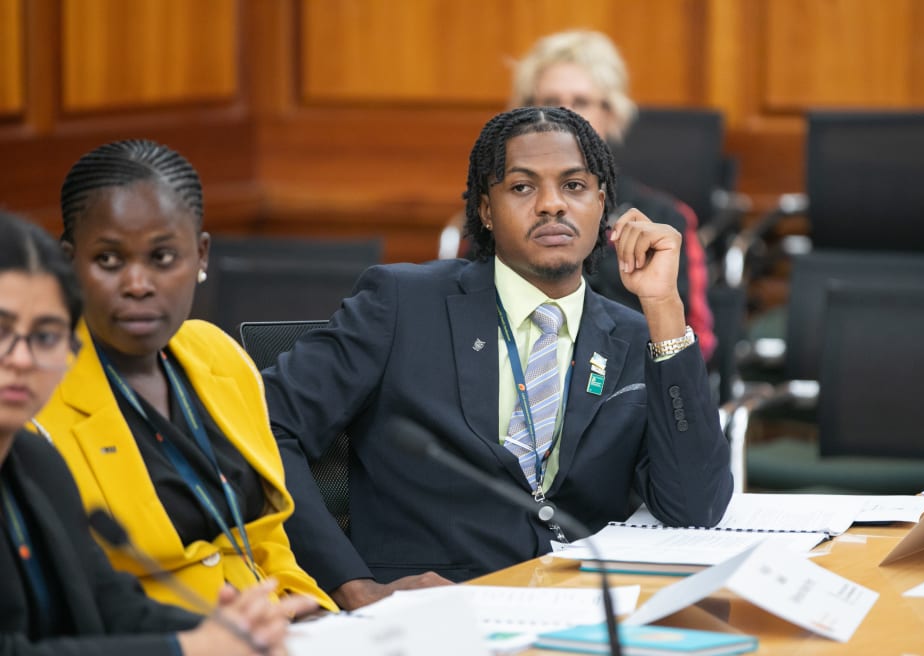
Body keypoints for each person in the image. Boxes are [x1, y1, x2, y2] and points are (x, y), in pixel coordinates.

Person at [264, 107, 733, 610]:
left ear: (602, 204)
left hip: (578, 615)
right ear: (486, 209)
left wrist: (664, 310)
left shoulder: (635, 336)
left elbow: (694, 507)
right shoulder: (400, 303)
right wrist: (351, 586)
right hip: (431, 618)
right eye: (523, 188)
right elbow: (261, 424)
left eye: (574, 186)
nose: (552, 205)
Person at [33, 140, 336, 613]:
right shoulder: (32, 398)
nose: (138, 284)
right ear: (69, 264)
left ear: (200, 256)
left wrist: (306, 607)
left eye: (163, 257)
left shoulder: (219, 356)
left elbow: (267, 539)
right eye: (109, 260)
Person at [0, 210, 315, 654]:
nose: (22, 358)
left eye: (46, 336)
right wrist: (185, 648)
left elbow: (109, 604)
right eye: (2, 331)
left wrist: (227, 632)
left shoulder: (36, 463)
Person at [510, 30, 717, 361]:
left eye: (581, 102)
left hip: (631, 392)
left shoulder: (663, 219)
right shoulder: (498, 211)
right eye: (549, 102)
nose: (565, 115)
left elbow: (696, 344)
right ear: (523, 114)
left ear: (611, 113)